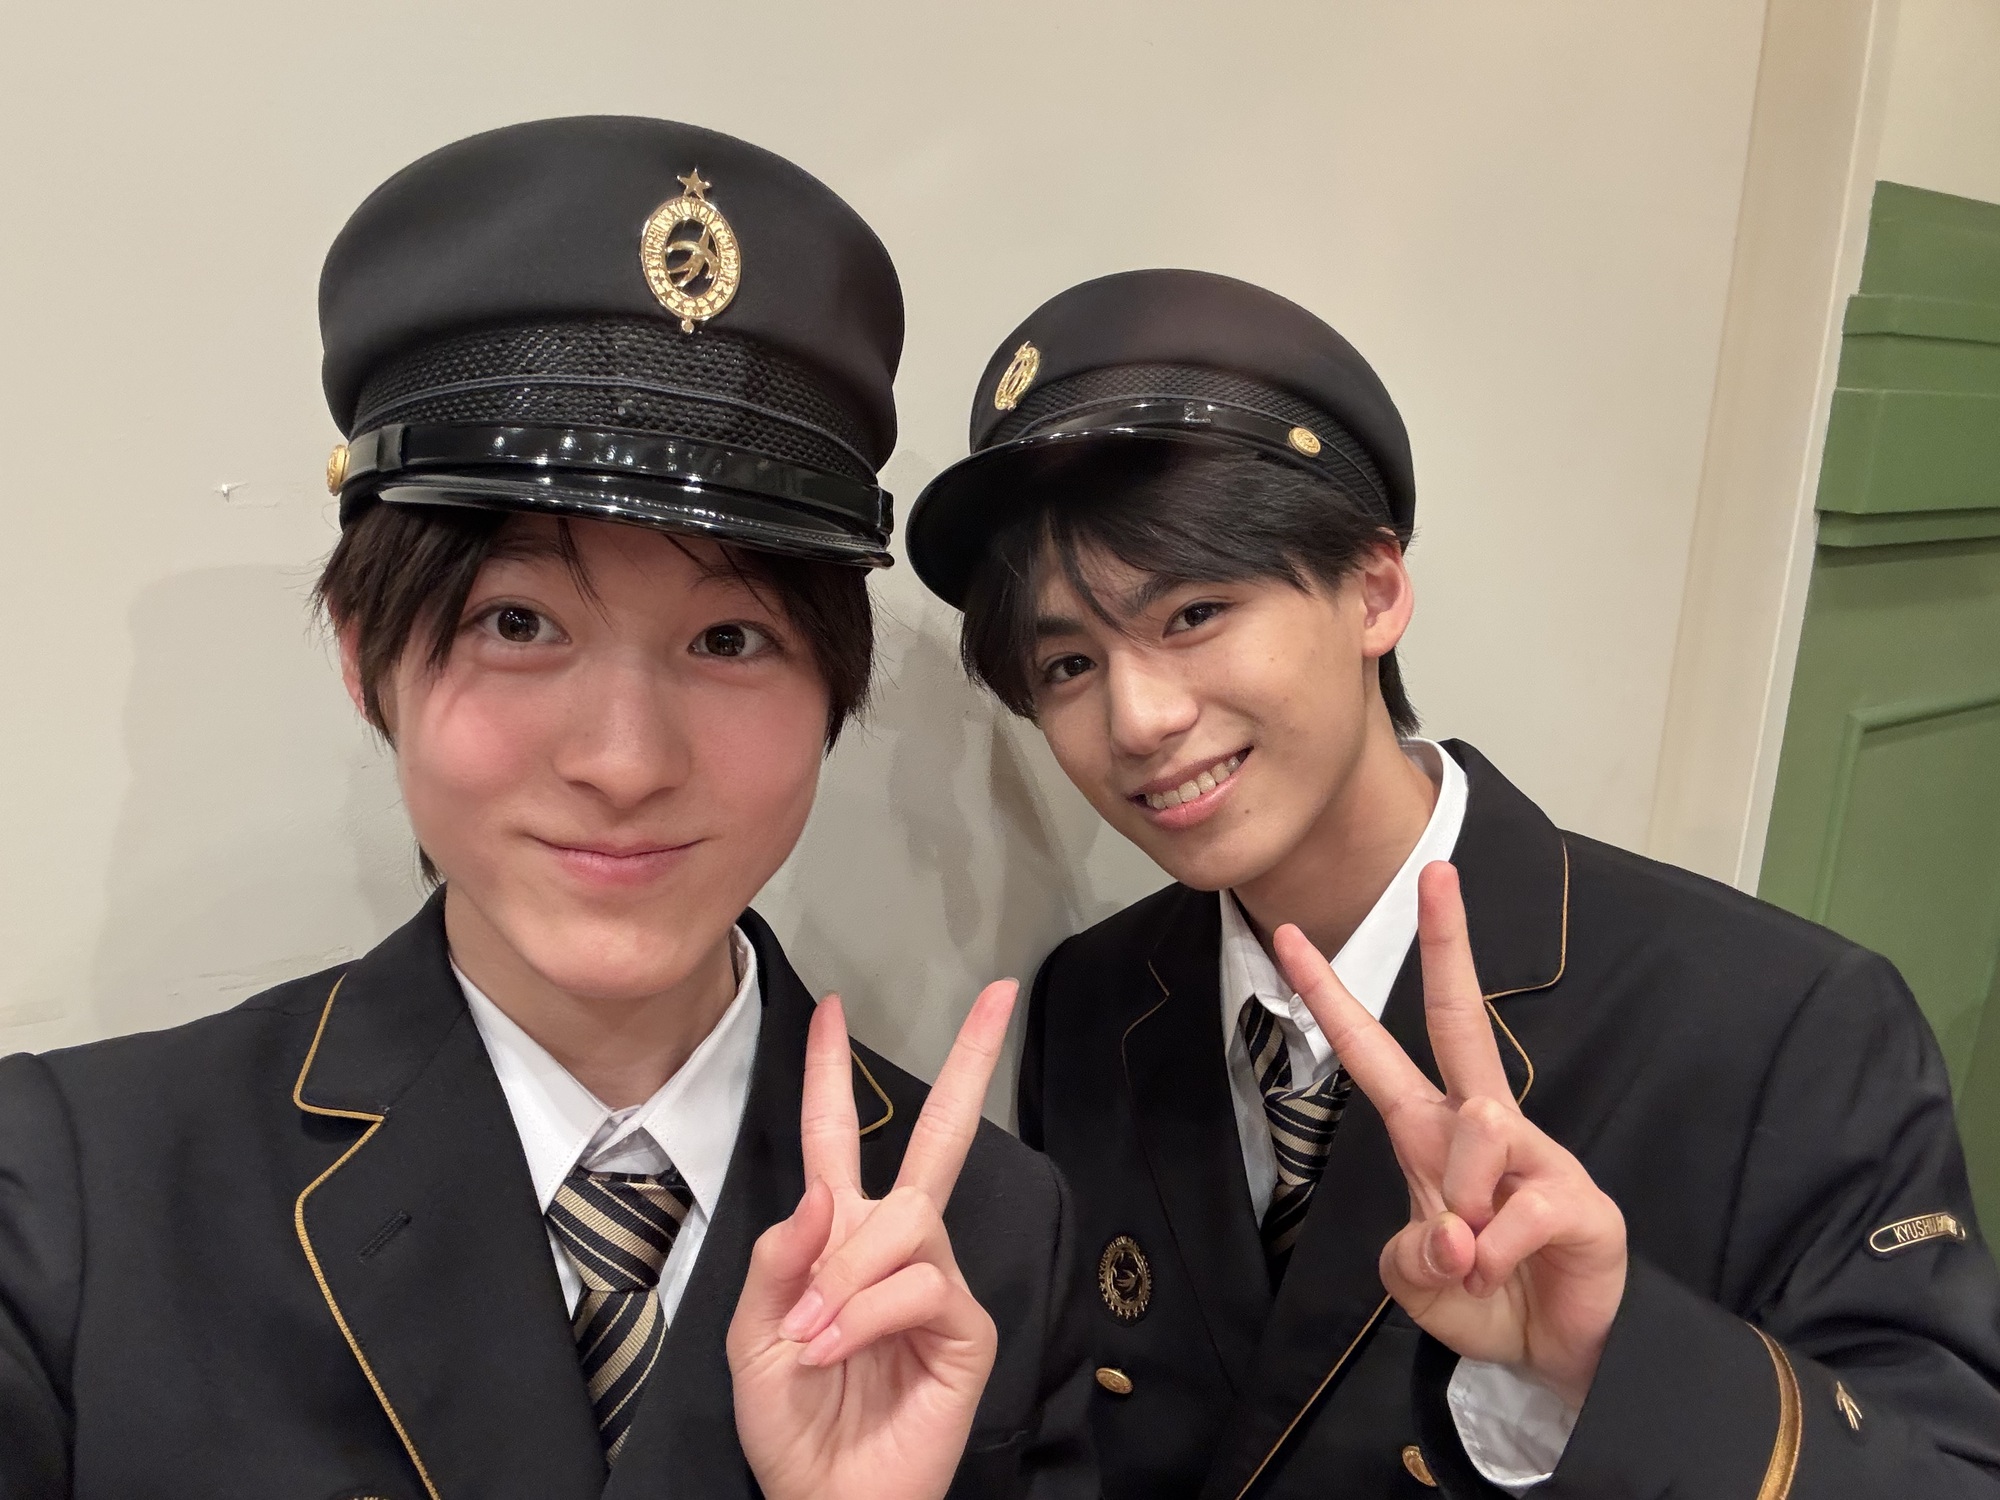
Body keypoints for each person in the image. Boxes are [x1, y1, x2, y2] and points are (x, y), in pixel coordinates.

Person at [0, 116, 1093, 1500]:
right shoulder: (74, 1194)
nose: (625, 764)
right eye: (518, 622)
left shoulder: (987, 1236)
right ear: (367, 659)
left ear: (834, 687)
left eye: (730, 639)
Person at [903, 268, 2000, 1497]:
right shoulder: (1096, 998)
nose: (1138, 718)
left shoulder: (1780, 1024)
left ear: (1374, 591)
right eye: (1066, 665)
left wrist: (1609, 1362)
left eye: (1195, 613)